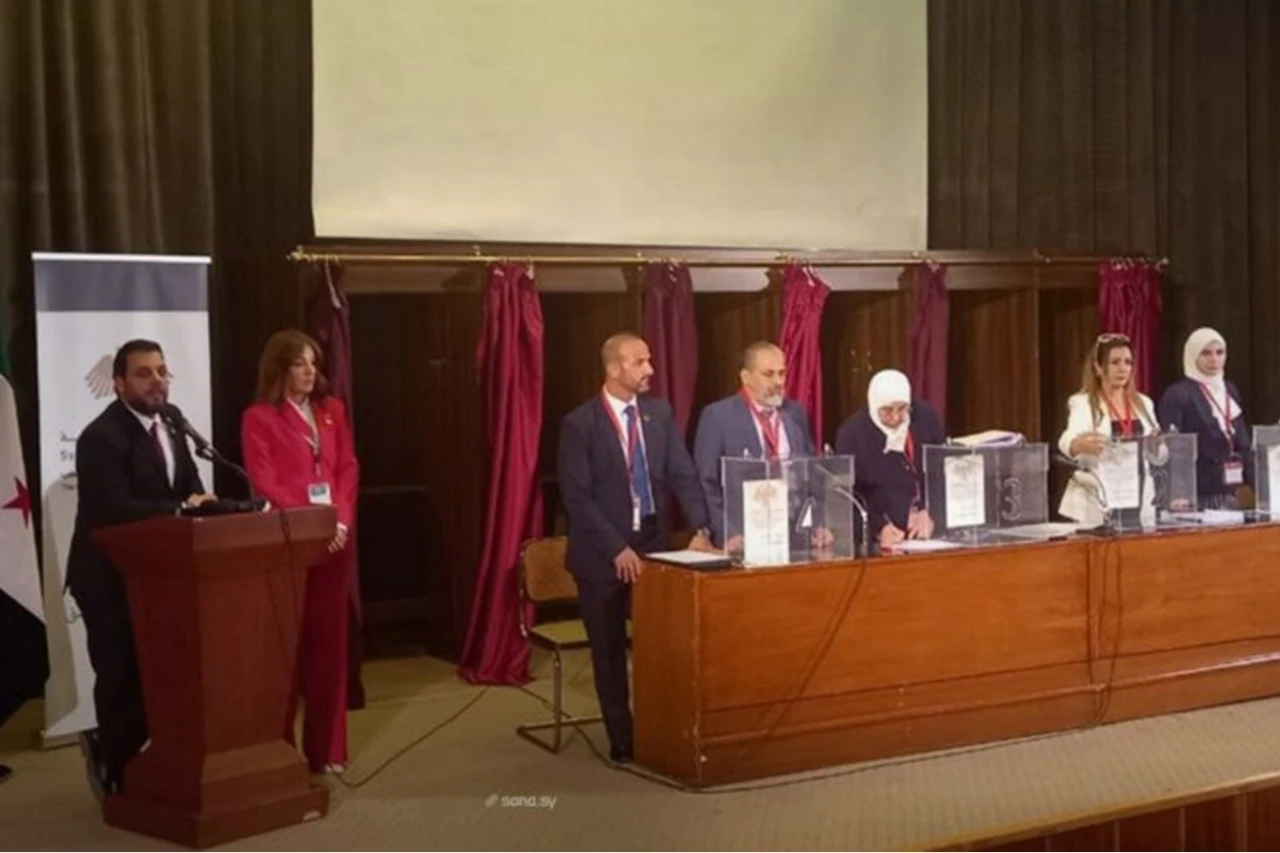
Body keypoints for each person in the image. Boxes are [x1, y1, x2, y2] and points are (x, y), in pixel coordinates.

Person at [557, 332, 714, 763]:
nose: (650, 370)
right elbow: (577, 499)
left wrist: (701, 527)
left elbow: (682, 473)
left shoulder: (658, 414)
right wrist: (615, 549)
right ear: (614, 369)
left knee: (660, 644)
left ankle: (660, 728)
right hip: (602, 555)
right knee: (608, 651)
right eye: (640, 362)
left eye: (649, 360)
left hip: (651, 546)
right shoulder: (580, 425)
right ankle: (622, 737)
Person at [68, 339, 215, 797]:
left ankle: (152, 759)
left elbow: (190, 486)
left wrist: (204, 504)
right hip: (108, 578)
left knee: (162, 672)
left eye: (162, 371)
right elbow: (114, 508)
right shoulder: (101, 436)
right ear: (118, 383)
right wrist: (180, 509)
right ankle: (116, 766)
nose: (157, 381)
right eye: (144, 373)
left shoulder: (172, 422)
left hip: (162, 576)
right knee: (121, 673)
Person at [240, 329, 359, 774]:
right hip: (291, 542)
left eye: (313, 362)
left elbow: (347, 468)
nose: (310, 371)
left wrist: (339, 520)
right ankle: (281, 749)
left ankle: (328, 748)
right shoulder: (259, 418)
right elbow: (264, 481)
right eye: (299, 363)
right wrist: (313, 524)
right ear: (279, 369)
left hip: (335, 540)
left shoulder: (332, 411)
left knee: (331, 646)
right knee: (286, 650)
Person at [692, 341, 816, 548]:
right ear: (746, 377)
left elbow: (811, 474)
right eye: (768, 374)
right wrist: (727, 532)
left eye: (782, 373)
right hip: (742, 537)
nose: (778, 382)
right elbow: (707, 483)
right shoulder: (718, 416)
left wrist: (817, 524)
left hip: (793, 535)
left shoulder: (795, 413)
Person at [833, 369, 945, 552]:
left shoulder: (925, 419)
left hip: (926, 535)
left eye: (902, 408)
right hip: (884, 539)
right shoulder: (852, 434)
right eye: (887, 411)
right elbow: (847, 498)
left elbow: (940, 473)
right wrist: (878, 529)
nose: (895, 417)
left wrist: (931, 512)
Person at [1057, 333, 1161, 526]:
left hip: (1137, 497)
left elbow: (1160, 453)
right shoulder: (1083, 403)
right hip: (1098, 499)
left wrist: (1158, 446)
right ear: (1098, 367)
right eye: (1115, 362)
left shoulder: (1144, 403)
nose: (1123, 368)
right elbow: (1066, 440)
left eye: (1128, 362)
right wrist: (1076, 445)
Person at [1157, 327, 1251, 509]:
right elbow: (1172, 450)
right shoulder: (1178, 394)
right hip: (1194, 496)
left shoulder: (1229, 390)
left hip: (1229, 492)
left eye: (1219, 352)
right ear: (1193, 355)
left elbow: (1242, 442)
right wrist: (1177, 493)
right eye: (1206, 353)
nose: (1214, 359)